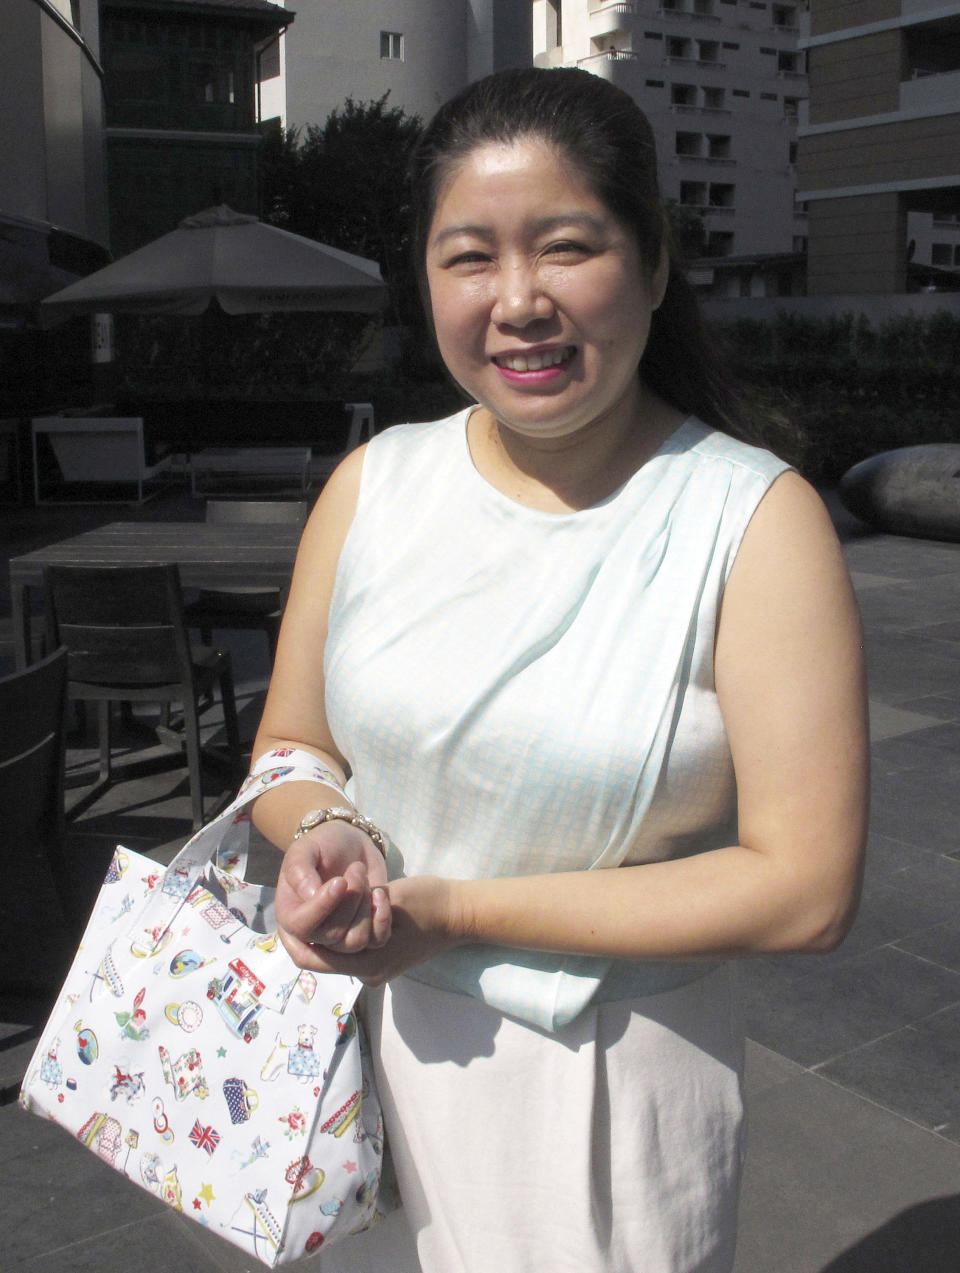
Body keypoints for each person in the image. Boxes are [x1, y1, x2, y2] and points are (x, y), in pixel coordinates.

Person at [249, 67, 868, 1273]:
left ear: (653, 257)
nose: (518, 300)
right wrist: (323, 828)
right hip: (362, 1069)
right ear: (426, 277)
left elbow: (806, 888)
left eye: (567, 246)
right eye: (469, 256)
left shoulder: (752, 520)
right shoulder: (373, 487)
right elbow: (292, 746)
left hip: (601, 1096)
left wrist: (458, 911)